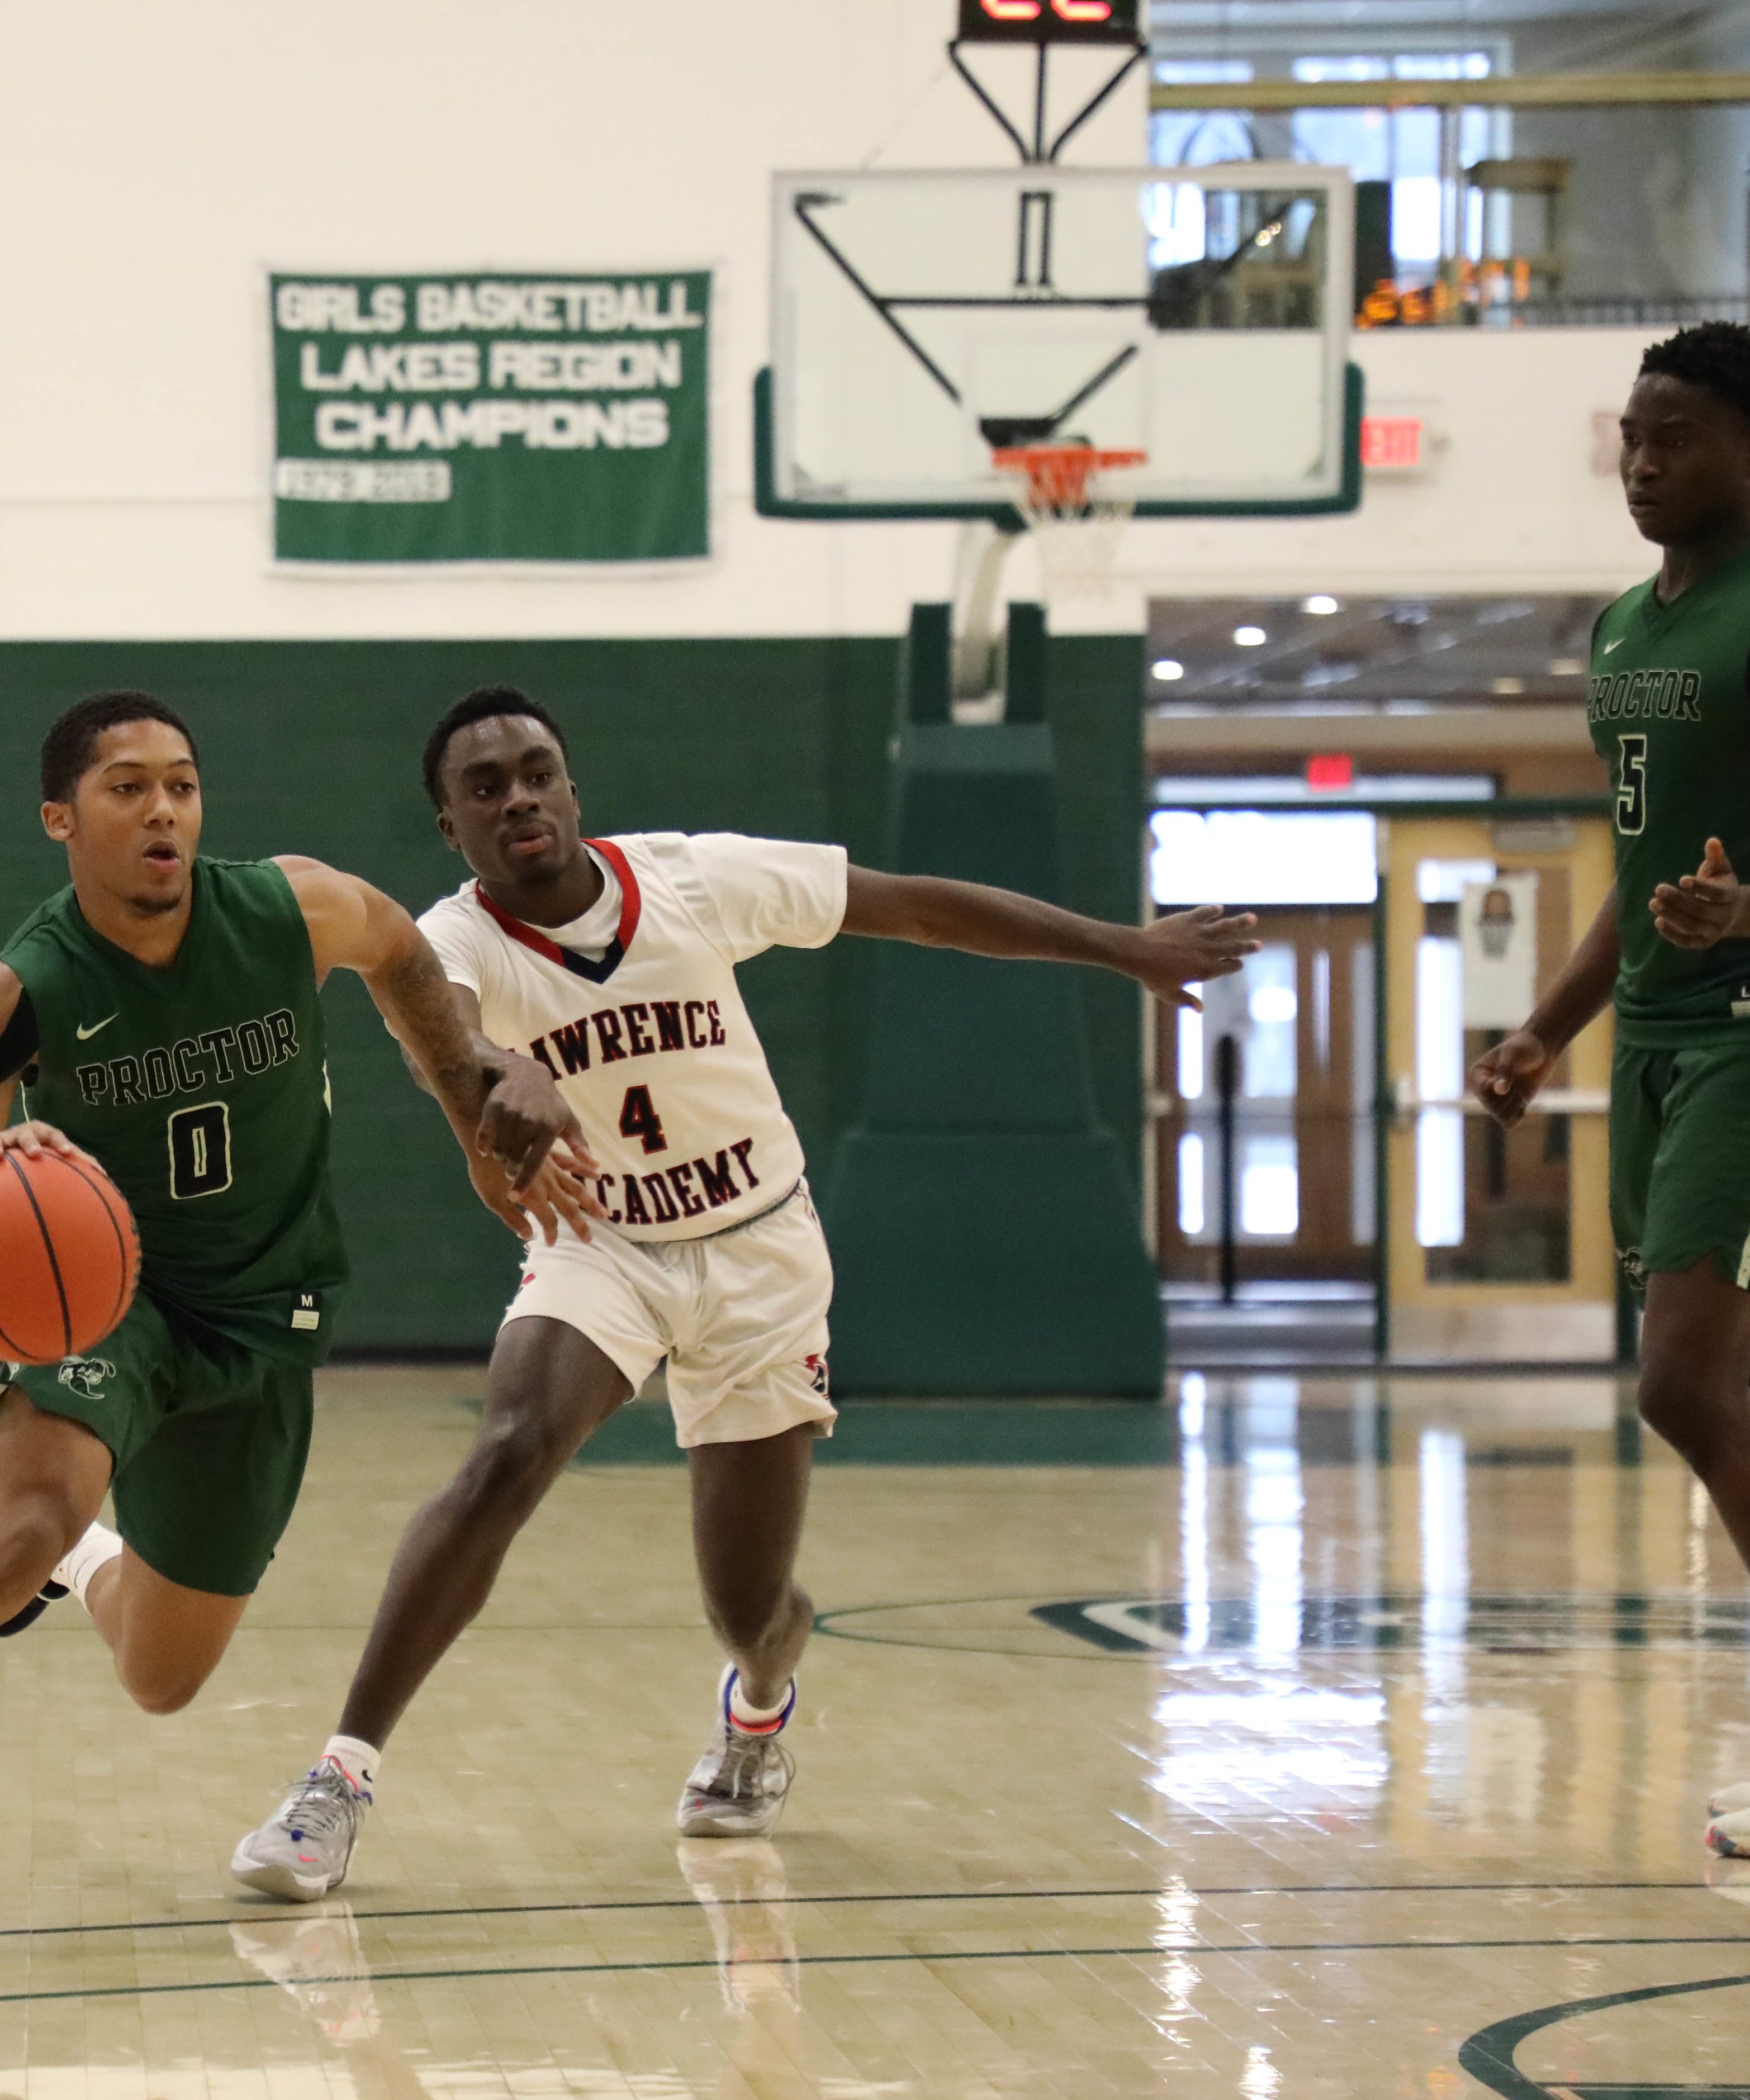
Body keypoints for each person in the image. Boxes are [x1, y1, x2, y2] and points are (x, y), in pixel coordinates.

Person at [225, 686, 1255, 1900]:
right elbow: (438, 1024)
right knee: (507, 1451)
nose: (519, 798)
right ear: (451, 828)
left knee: (748, 1604)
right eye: (486, 787)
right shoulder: (456, 936)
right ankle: (336, 1783)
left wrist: (1119, 944)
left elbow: (916, 909)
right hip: (603, 1244)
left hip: (760, 1252)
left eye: (536, 770)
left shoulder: (696, 879)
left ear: (570, 785)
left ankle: (758, 1706)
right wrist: (503, 1070)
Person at [0, 690, 580, 1969]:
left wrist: (470, 1120)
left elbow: (402, 957)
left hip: (266, 1324)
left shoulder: (291, 909)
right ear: (62, 818)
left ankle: (85, 1564)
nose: (161, 808)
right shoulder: (23, 989)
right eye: (126, 787)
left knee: (163, 1676)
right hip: (103, 1309)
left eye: (179, 783)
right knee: (13, 1530)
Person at [1455, 323, 1750, 1882]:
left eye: (1677, 438)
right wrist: (1542, 1032)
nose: (1645, 463)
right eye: (1630, 439)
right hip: (1664, 1039)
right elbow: (1649, 880)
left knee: (1682, 1384)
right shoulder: (1616, 632)